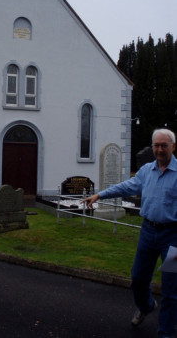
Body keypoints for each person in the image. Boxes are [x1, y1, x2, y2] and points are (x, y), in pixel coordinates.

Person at [82, 128, 177, 338]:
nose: (160, 150)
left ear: (173, 147)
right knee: (138, 279)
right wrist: (100, 194)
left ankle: (167, 333)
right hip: (148, 232)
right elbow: (127, 186)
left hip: (173, 238)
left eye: (164, 146)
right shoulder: (146, 171)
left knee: (171, 290)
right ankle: (146, 305)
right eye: (156, 145)